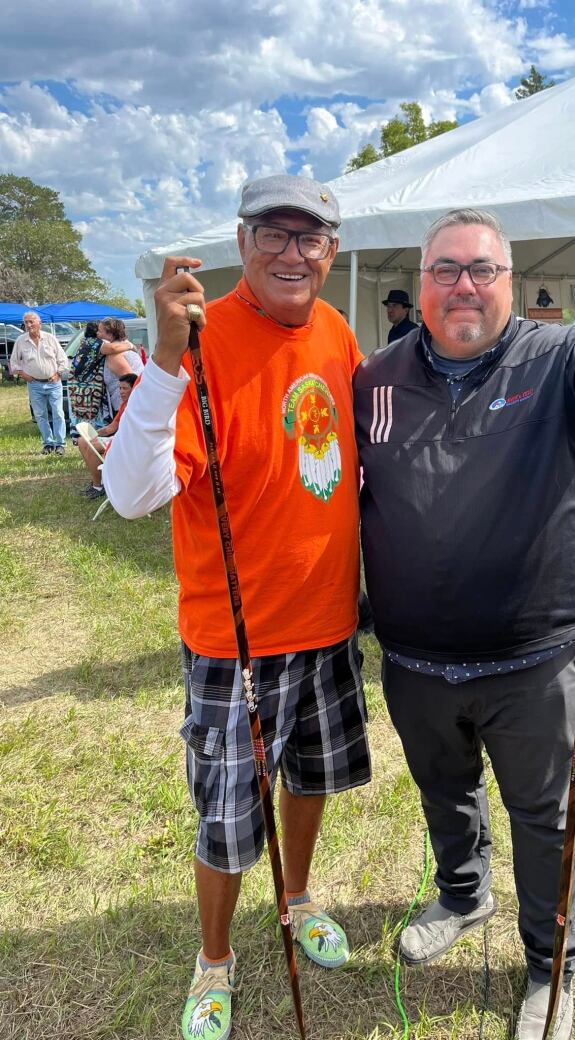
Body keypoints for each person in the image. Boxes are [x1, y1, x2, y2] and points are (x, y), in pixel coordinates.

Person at [354, 197, 575, 1040]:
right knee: (444, 791)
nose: (463, 286)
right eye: (444, 270)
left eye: (482, 269)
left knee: (545, 818)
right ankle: (463, 895)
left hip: (531, 661)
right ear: (419, 285)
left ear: (510, 280)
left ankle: (550, 967)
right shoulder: (375, 379)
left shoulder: (562, 359)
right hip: (414, 659)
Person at [103, 174, 371, 1040]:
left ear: (332, 251)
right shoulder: (199, 338)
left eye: (311, 238)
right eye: (275, 234)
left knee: (312, 778)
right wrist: (169, 361)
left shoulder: (337, 331)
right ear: (242, 239)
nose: (293, 253)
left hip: (329, 622)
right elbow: (134, 491)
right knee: (225, 817)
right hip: (235, 641)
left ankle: (295, 900)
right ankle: (213, 958)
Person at [10, 312, 70, 455]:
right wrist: (23, 374)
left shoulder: (50, 338)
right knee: (40, 414)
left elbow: (63, 360)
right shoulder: (20, 340)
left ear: (39, 323)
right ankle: (48, 443)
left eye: (31, 322)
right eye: (26, 322)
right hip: (34, 384)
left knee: (58, 413)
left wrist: (58, 374)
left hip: (53, 383)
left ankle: (60, 444)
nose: (29, 325)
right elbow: (13, 363)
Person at [76, 372, 138, 499]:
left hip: (129, 443)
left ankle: (98, 486)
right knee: (82, 441)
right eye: (119, 388)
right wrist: (94, 433)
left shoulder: (138, 405)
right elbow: (112, 427)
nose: (121, 391)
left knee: (94, 447)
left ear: (135, 388)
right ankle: (99, 481)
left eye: (125, 388)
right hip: (119, 438)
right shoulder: (124, 404)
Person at [69, 321, 112, 437]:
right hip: (92, 392)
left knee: (82, 421)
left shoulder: (83, 343)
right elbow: (114, 348)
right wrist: (130, 345)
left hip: (77, 390)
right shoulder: (99, 344)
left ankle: (83, 441)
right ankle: (94, 444)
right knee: (95, 421)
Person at [98, 318, 145, 412]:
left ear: (110, 334)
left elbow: (130, 379)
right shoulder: (122, 348)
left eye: (100, 331)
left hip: (127, 405)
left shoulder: (114, 355)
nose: (97, 334)